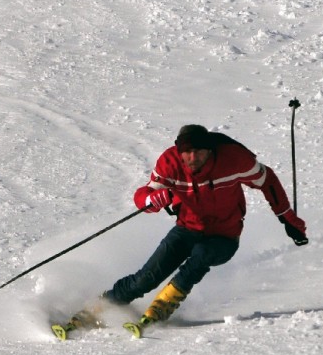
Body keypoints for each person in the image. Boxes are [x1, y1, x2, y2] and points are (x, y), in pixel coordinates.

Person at [103, 124, 307, 326]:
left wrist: (287, 217)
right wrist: (151, 200)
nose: (193, 157)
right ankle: (103, 306)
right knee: (146, 278)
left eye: (199, 151)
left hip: (224, 236)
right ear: (179, 151)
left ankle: (162, 305)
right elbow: (144, 194)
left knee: (201, 256)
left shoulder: (233, 159)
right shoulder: (170, 162)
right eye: (187, 152)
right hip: (186, 229)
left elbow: (267, 180)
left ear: (210, 150)